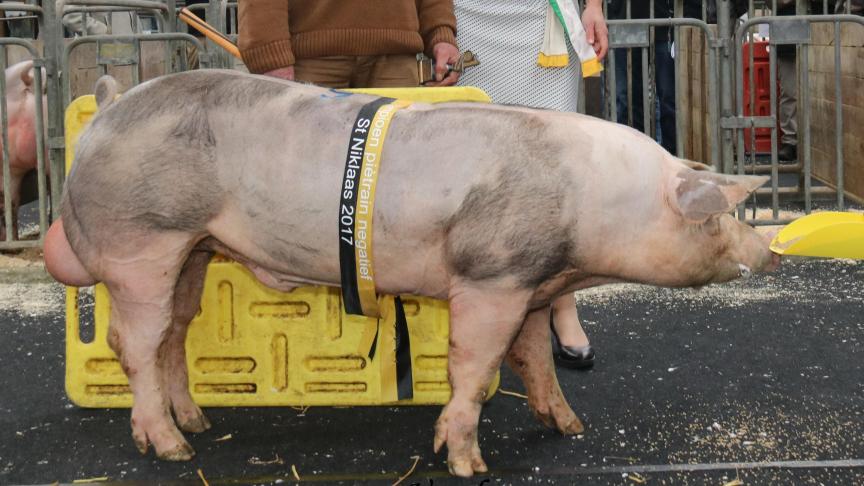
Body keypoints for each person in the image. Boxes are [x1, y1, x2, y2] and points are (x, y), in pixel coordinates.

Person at [455, 0, 608, 369]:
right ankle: (479, 302)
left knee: (553, 168)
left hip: (542, 19)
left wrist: (594, 6)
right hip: (468, 16)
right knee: (475, 167)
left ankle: (563, 304)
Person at [237, 0, 461, 88]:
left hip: (397, 63)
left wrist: (441, 34)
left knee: (400, 167)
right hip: (312, 64)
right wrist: (271, 58)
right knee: (308, 168)